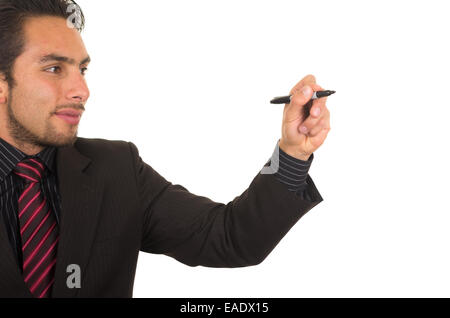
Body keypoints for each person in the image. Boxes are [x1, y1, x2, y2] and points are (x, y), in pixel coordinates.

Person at [0, 0, 331, 298]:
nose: (81, 90)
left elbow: (231, 239)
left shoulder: (116, 169)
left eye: (82, 70)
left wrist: (292, 153)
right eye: (54, 69)